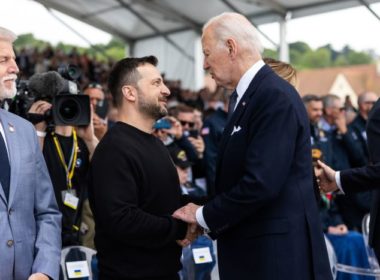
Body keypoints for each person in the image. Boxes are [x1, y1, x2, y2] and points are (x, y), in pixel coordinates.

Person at [173, 12, 332, 280]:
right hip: (259, 254)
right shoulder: (253, 96)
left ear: (232, 48)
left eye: (208, 53)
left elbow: (260, 183)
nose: (204, 64)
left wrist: (203, 216)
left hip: (276, 260)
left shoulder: (272, 96)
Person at [88, 56, 198, 280]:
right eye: (156, 83)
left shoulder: (155, 143)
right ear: (130, 93)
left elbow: (163, 202)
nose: (166, 90)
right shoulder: (114, 149)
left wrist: (198, 212)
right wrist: (178, 228)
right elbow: (122, 219)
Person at [0, 26, 61, 280]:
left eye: (13, 59)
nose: (15, 68)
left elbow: (47, 211)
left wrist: (44, 271)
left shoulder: (24, 130)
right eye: (4, 60)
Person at [318, 97, 380, 261]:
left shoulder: (349, 130)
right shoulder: (322, 135)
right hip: (347, 200)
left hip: (356, 190)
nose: (343, 112)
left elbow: (360, 157)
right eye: (340, 109)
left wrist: (338, 179)